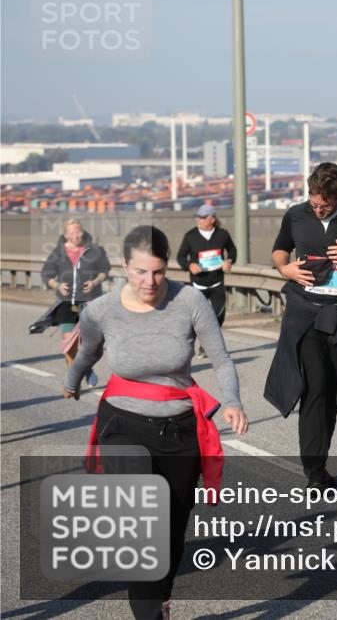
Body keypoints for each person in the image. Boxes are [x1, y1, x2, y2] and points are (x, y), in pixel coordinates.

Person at [62, 225, 249, 620]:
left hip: (179, 429)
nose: (150, 281)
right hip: (123, 426)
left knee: (172, 529)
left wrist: (232, 401)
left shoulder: (191, 301)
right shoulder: (102, 309)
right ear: (125, 267)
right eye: (141, 272)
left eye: (159, 272)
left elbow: (221, 358)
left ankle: (159, 597)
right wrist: (71, 380)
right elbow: (87, 353)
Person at [264, 162, 337, 489]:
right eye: (314, 202)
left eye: (324, 205)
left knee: (332, 390)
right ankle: (314, 472)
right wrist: (284, 269)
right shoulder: (296, 215)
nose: (318, 209)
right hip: (305, 316)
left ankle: (320, 463)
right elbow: (278, 250)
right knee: (315, 387)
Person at [40, 219, 111, 385]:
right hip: (66, 302)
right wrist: (57, 285)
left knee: (87, 344)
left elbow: (104, 271)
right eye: (72, 233)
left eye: (78, 232)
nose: (76, 235)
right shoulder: (58, 253)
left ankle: (85, 368)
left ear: (83, 232)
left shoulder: (95, 250)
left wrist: (94, 282)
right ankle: (74, 379)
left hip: (90, 302)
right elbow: (46, 275)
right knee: (69, 341)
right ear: (66, 235)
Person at [175, 204, 237, 357]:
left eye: (202, 217)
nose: (198, 219)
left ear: (212, 219)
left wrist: (229, 261)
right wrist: (190, 265)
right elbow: (180, 256)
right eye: (197, 217)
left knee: (219, 316)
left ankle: (205, 344)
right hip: (198, 285)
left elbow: (233, 250)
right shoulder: (190, 236)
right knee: (197, 319)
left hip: (217, 282)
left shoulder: (222, 234)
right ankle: (188, 347)